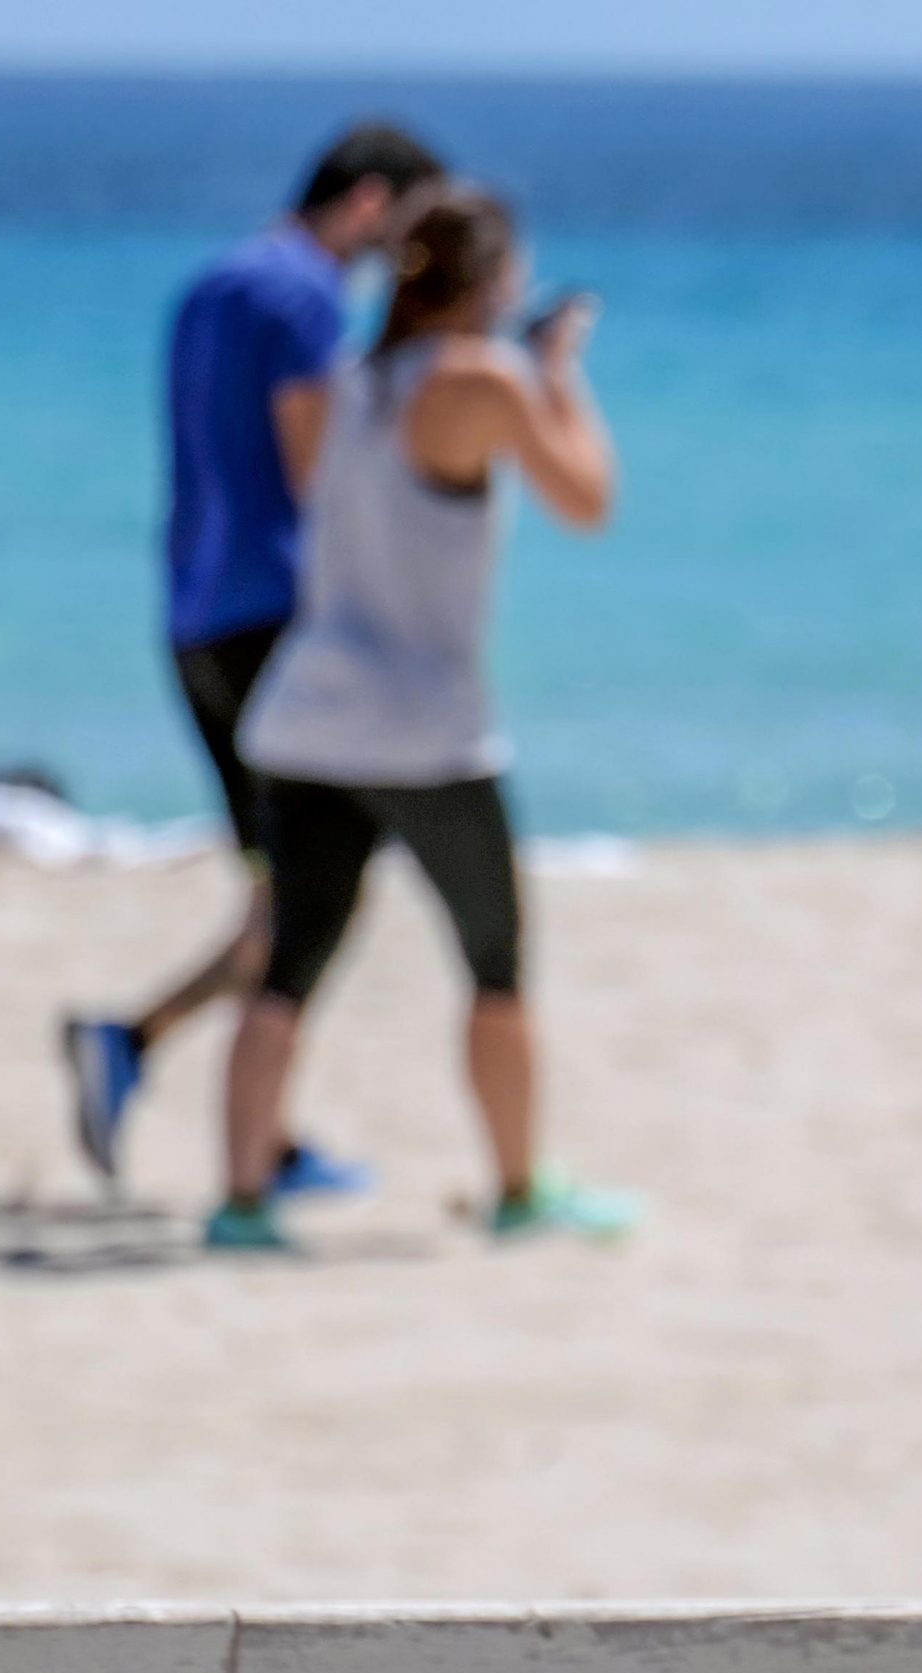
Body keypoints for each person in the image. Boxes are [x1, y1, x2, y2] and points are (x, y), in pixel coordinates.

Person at [205, 183, 634, 1250]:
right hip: (423, 728)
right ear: (492, 280)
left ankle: (242, 1202)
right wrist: (562, 376)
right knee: (495, 965)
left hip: (304, 714)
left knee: (288, 970)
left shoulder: (348, 386)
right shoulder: (478, 377)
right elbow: (586, 501)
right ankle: (521, 1190)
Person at [63, 122, 446, 1189]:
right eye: (410, 228)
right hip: (272, 619)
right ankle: (207, 1101)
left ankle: (150, 1059)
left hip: (194, 612)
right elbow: (313, 468)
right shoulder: (305, 297)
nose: (411, 257)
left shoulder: (212, 284)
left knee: (288, 883)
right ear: (369, 200)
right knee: (318, 883)